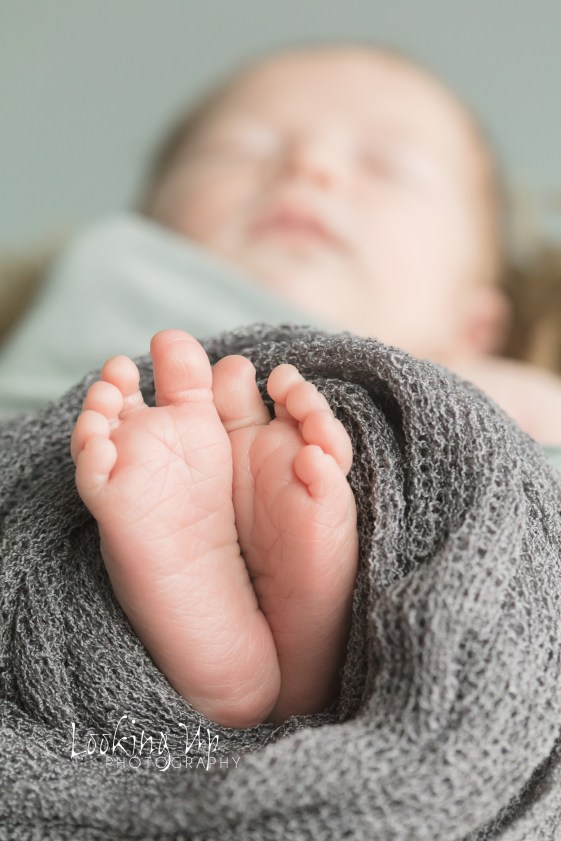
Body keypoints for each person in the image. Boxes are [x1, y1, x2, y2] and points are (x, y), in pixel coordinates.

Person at [70, 44, 561, 730]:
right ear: (152, 219)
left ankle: (291, 638)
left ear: (474, 325)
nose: (308, 167)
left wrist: (487, 400)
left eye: (388, 166)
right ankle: (270, 638)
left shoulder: (495, 391)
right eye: (241, 148)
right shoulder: (117, 271)